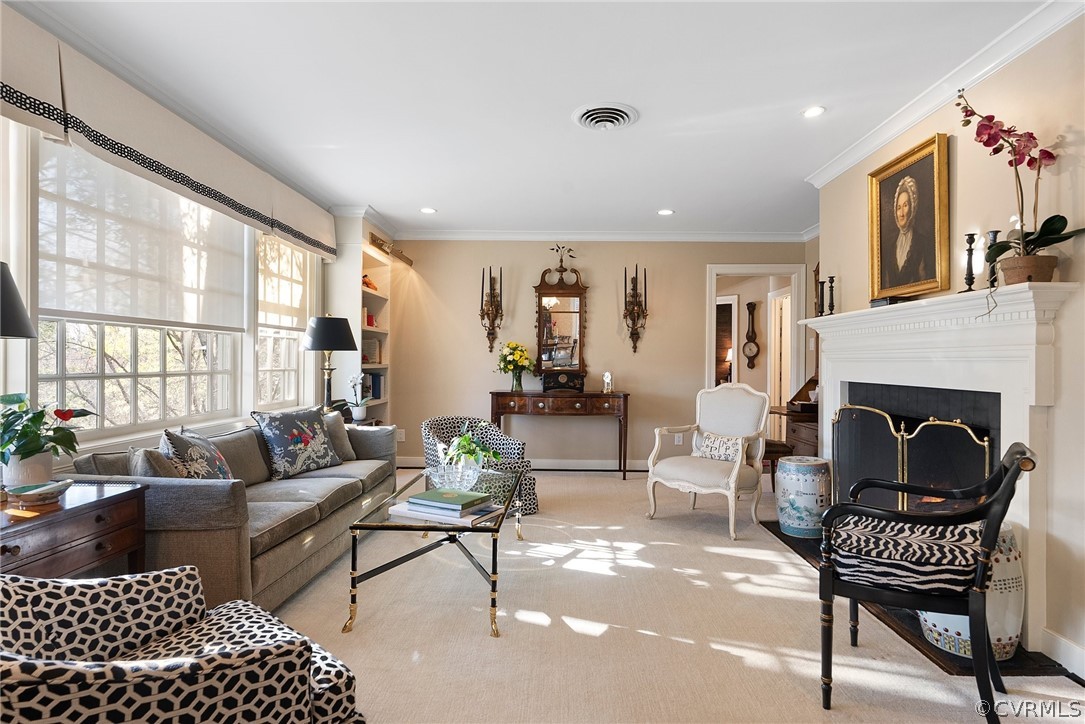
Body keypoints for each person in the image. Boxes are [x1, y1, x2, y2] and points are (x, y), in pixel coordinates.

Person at [883, 175, 934, 289]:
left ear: (912, 207)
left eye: (905, 206)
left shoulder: (922, 242)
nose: (901, 213)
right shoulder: (890, 245)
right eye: (898, 207)